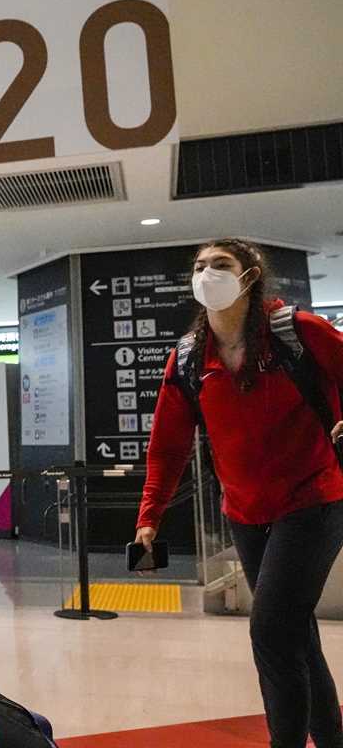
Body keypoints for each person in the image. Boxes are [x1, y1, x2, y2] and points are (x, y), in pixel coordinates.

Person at [135, 238, 343, 748]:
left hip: (314, 499)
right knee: (295, 633)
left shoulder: (297, 332)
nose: (207, 273)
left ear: (249, 276)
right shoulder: (189, 358)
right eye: (199, 266)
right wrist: (149, 515)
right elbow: (167, 444)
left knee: (271, 630)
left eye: (220, 264)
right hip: (245, 512)